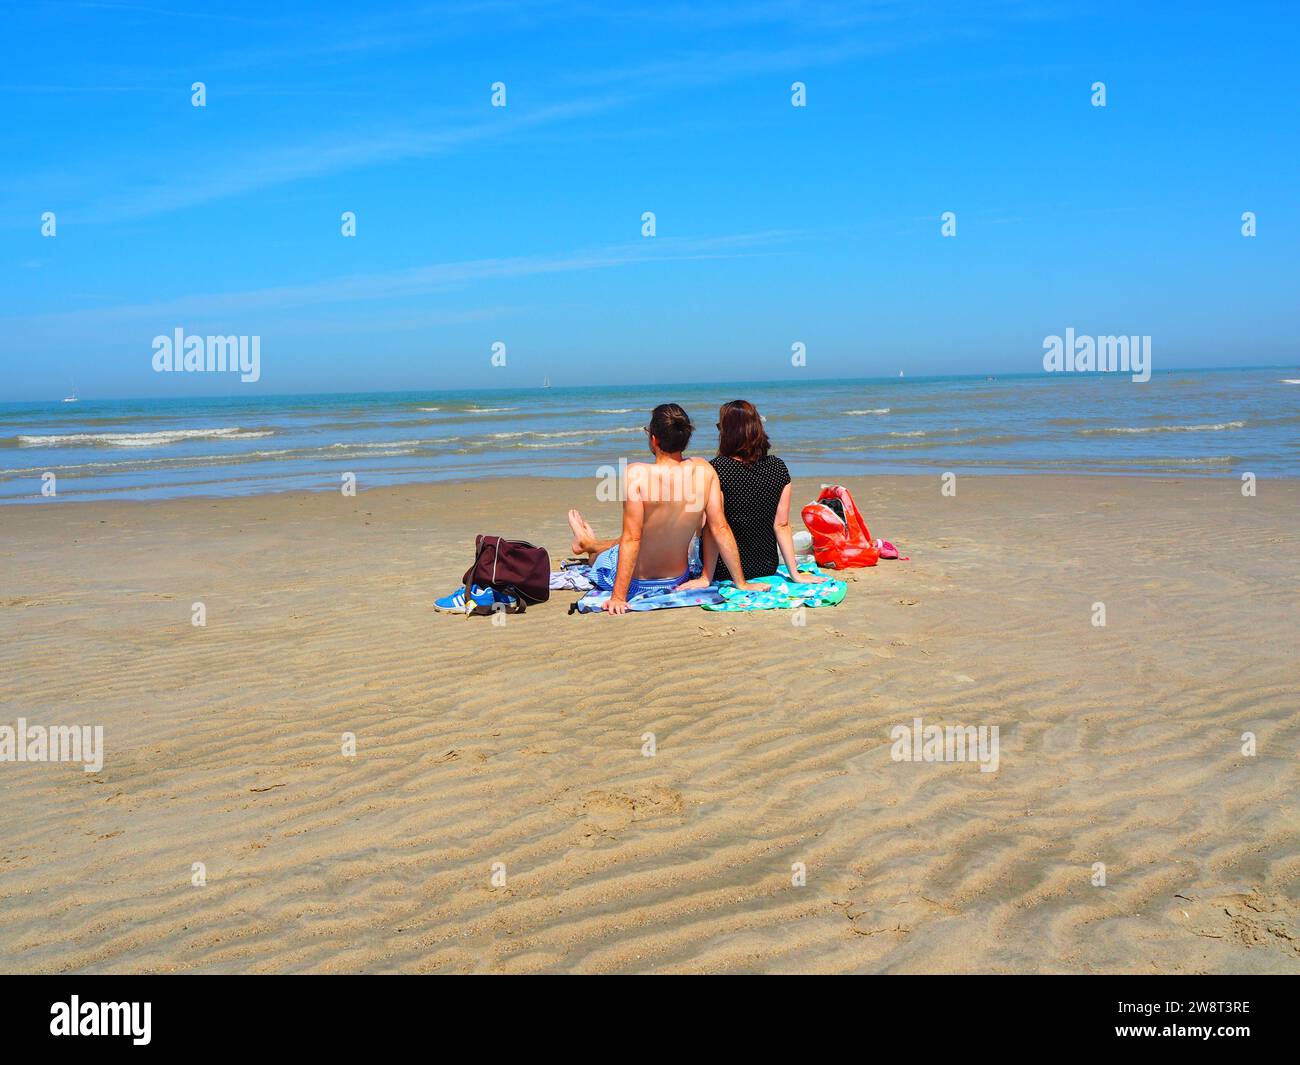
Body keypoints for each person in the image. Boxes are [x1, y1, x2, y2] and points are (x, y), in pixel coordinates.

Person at [566, 403, 769, 614]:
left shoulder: (635, 474)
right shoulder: (704, 470)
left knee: (600, 560)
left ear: (654, 439)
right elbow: (720, 528)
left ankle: (589, 545)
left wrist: (618, 597)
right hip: (677, 579)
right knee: (625, 543)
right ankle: (588, 542)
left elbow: (632, 539)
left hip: (638, 583)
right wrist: (741, 583)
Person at [678, 399, 826, 589]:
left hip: (724, 569)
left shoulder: (716, 469)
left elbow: (709, 528)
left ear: (727, 432)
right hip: (765, 566)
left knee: (710, 524)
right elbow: (781, 525)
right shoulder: (778, 467)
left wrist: (706, 577)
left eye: (719, 427)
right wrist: (795, 574)